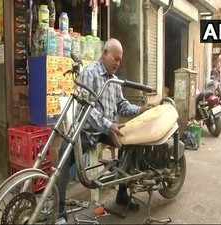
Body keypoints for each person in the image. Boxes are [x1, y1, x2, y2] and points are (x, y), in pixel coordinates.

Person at [56, 38, 150, 221]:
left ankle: (122, 194)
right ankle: (59, 212)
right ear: (105, 54)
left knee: (133, 145)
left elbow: (122, 105)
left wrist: (140, 110)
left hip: (107, 130)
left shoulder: (114, 81)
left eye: (120, 60)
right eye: (115, 58)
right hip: (88, 130)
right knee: (64, 155)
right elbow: (85, 109)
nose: (118, 63)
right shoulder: (89, 73)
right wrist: (109, 125)